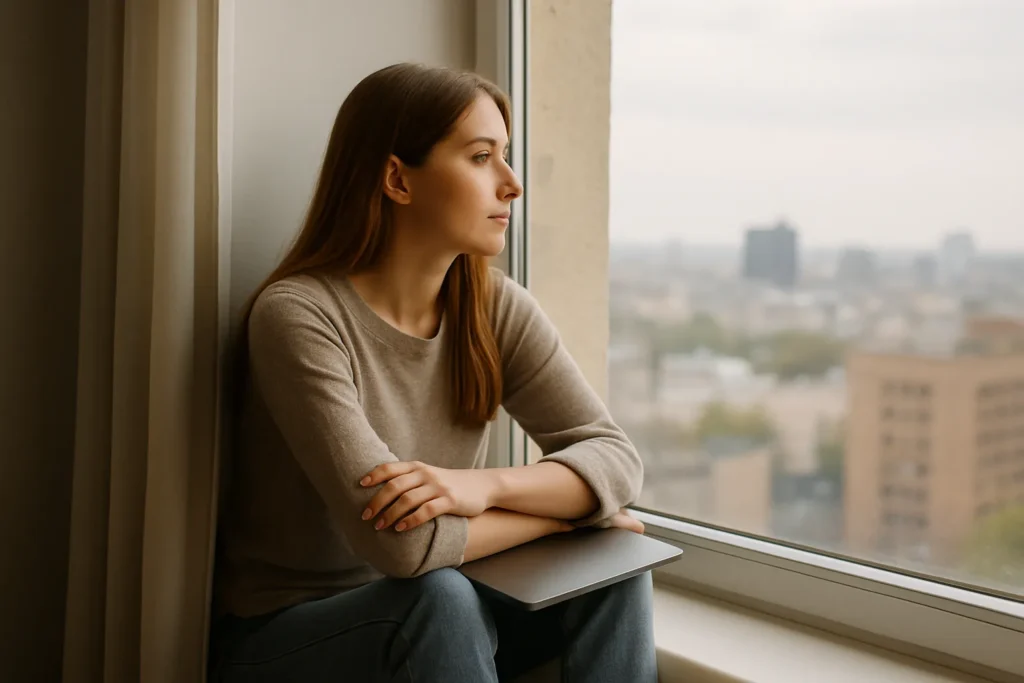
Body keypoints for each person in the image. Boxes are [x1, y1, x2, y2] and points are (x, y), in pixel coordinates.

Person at [209, 62, 655, 683]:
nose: (511, 184)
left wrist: (486, 488)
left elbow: (614, 458)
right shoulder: (299, 317)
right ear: (397, 178)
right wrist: (575, 512)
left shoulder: (495, 307)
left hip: (443, 611)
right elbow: (404, 547)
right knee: (438, 596)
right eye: (480, 157)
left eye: (506, 156)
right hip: (286, 638)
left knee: (616, 562)